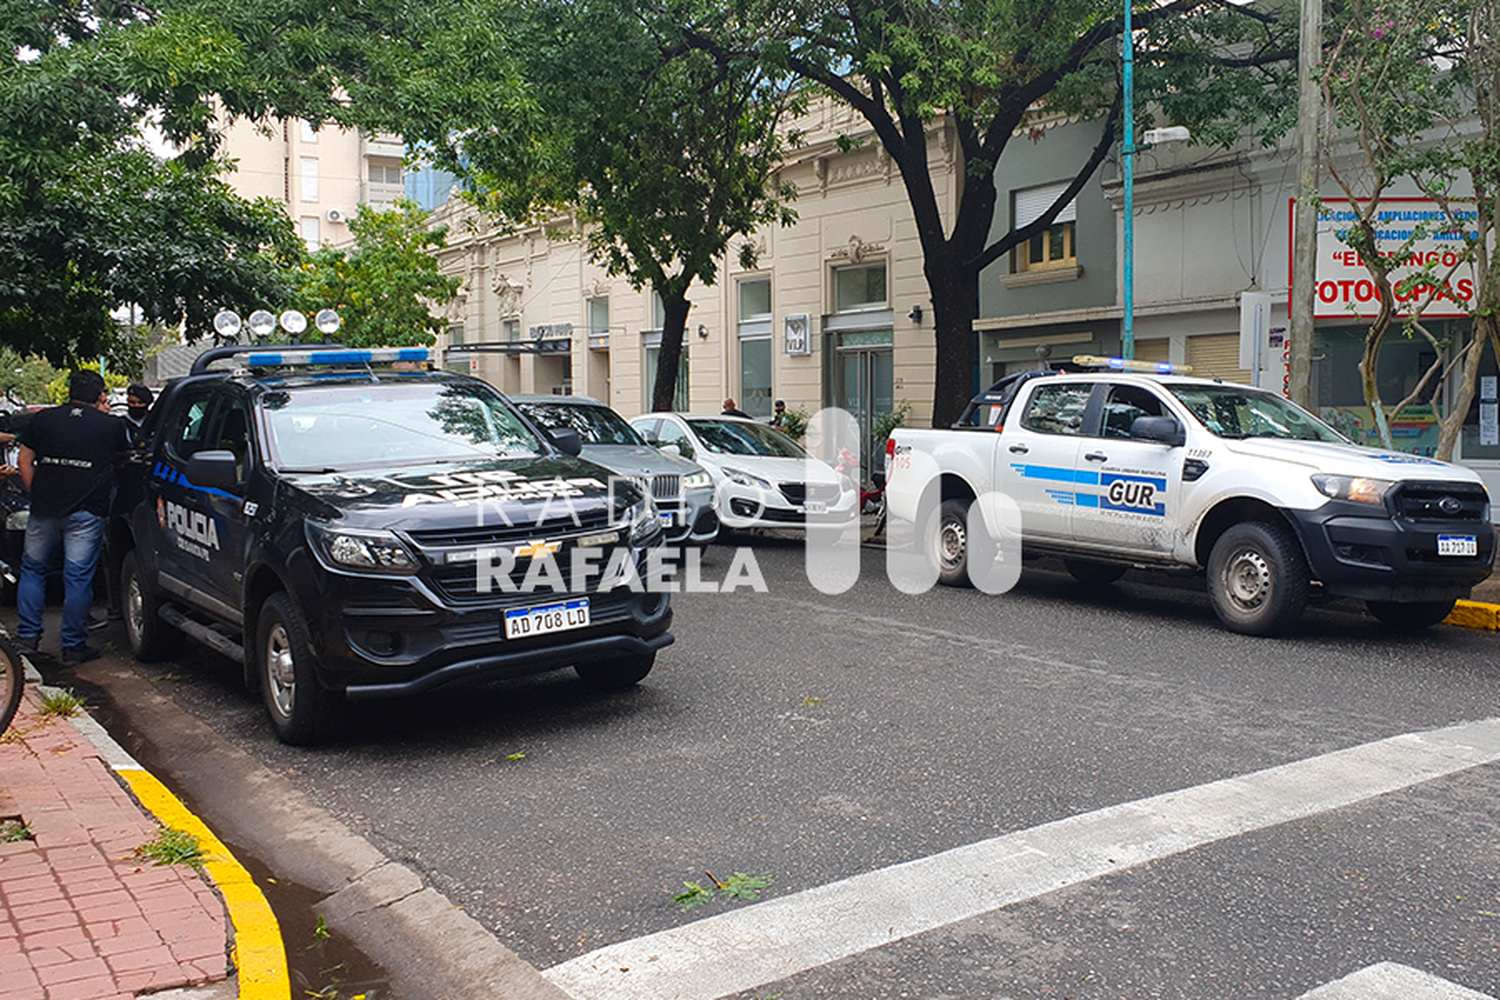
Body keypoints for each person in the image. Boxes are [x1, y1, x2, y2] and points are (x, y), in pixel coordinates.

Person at [15, 370, 131, 666]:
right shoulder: (111, 426)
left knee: (32, 570)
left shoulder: (42, 420)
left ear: (69, 392)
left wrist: (36, 493)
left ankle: (27, 639)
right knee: (78, 578)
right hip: (86, 511)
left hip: (44, 509)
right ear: (100, 395)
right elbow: (123, 461)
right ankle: (72, 647)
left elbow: (24, 460)